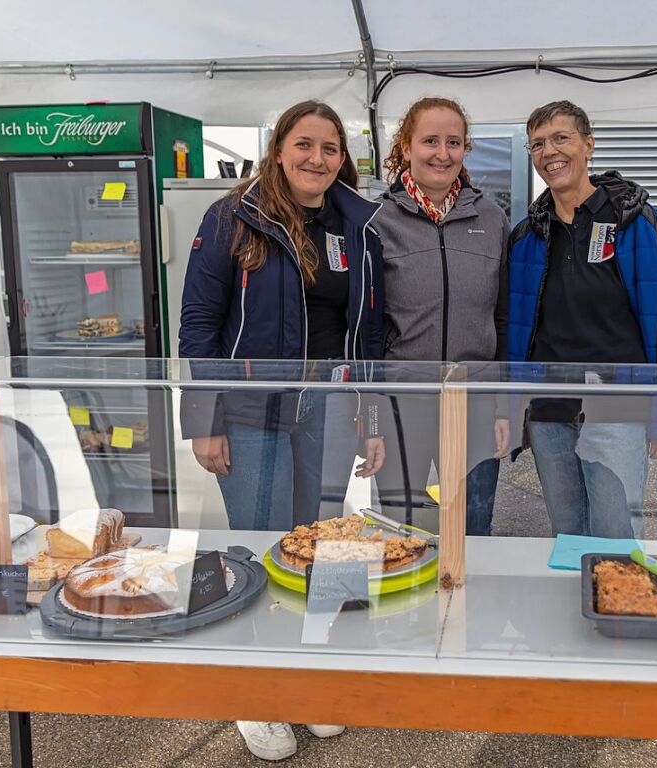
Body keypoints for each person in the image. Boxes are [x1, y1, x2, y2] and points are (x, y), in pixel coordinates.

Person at [179, 100, 386, 760]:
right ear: (278, 150)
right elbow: (198, 326)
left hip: (326, 410)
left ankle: (309, 682)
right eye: (304, 144)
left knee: (321, 549)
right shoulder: (229, 217)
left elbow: (369, 333)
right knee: (260, 551)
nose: (316, 158)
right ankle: (255, 697)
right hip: (249, 413)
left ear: (341, 160)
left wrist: (371, 416)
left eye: (329, 149)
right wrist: (203, 419)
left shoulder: (358, 225)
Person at [507, 100, 657, 539]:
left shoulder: (641, 225)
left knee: (616, 532)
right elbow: (513, 331)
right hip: (549, 410)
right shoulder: (526, 236)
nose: (549, 152)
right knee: (567, 532)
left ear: (588, 145)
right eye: (537, 144)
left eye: (561, 138)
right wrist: (514, 408)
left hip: (618, 407)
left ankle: (614, 608)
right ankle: (572, 608)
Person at [371, 96, 510, 536]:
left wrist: (505, 406)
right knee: (402, 527)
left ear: (466, 149)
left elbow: (505, 319)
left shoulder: (492, 220)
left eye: (454, 142)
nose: (442, 153)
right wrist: (371, 416)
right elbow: (364, 331)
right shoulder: (376, 221)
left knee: (471, 526)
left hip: (474, 403)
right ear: (405, 147)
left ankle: (469, 605)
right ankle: (404, 606)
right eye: (430, 140)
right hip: (402, 403)